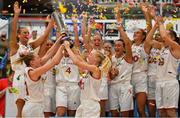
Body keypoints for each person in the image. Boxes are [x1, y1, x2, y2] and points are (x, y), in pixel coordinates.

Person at [9, 2, 54, 117]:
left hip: (30, 77)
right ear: (19, 35)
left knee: (29, 110)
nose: (27, 34)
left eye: (28, 33)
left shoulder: (31, 46)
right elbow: (13, 31)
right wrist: (16, 14)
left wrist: (51, 23)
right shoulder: (15, 46)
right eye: (24, 32)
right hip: (19, 78)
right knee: (20, 109)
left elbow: (44, 37)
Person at [19, 37, 64, 117]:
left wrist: (59, 40)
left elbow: (49, 53)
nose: (40, 58)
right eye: (37, 57)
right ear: (32, 62)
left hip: (37, 106)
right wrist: (63, 46)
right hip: (32, 108)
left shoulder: (35, 67)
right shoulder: (33, 72)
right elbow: (54, 62)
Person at [63, 40, 104, 117]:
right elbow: (79, 58)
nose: (89, 55)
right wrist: (71, 46)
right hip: (83, 104)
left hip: (91, 106)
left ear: (97, 59)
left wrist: (68, 48)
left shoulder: (96, 69)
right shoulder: (89, 69)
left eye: (91, 54)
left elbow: (77, 62)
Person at [108, 8, 134, 117]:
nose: (117, 47)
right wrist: (112, 74)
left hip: (125, 86)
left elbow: (128, 43)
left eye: (119, 45)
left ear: (124, 48)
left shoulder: (128, 57)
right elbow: (109, 75)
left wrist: (120, 28)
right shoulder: (111, 58)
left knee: (124, 113)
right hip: (113, 86)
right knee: (114, 112)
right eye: (116, 45)